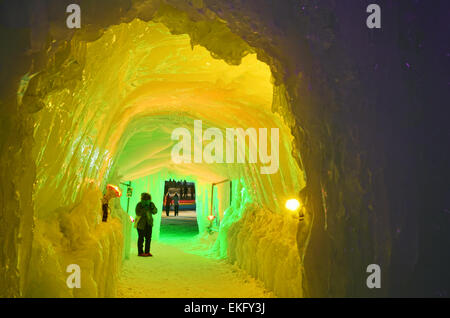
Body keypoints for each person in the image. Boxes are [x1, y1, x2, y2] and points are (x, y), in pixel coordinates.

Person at [135, 193, 157, 257]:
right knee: (141, 238)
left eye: (148, 199)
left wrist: (152, 208)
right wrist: (144, 209)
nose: (147, 201)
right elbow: (138, 213)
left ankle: (147, 252)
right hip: (141, 224)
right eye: (145, 199)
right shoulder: (139, 205)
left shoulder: (151, 204)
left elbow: (155, 211)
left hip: (149, 224)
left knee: (148, 238)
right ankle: (140, 252)